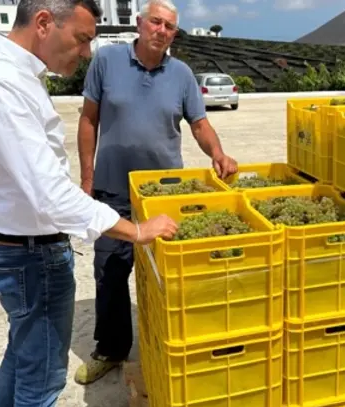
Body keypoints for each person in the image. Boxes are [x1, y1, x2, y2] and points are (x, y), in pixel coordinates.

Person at [0, 0, 177, 407]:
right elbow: (51, 195)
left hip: (13, 244)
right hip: (29, 255)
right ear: (43, 23)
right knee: (41, 383)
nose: (87, 52)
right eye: (82, 38)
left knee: (22, 360)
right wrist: (137, 229)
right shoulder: (1, 84)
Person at [74, 0, 238, 385]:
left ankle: (172, 341)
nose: (161, 30)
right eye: (156, 22)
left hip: (166, 195)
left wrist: (217, 152)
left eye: (169, 26)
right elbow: (88, 119)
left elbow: (199, 124)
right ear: (140, 23)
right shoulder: (107, 61)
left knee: (169, 274)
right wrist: (86, 179)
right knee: (111, 271)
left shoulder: (181, 74)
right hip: (113, 190)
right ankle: (112, 349)